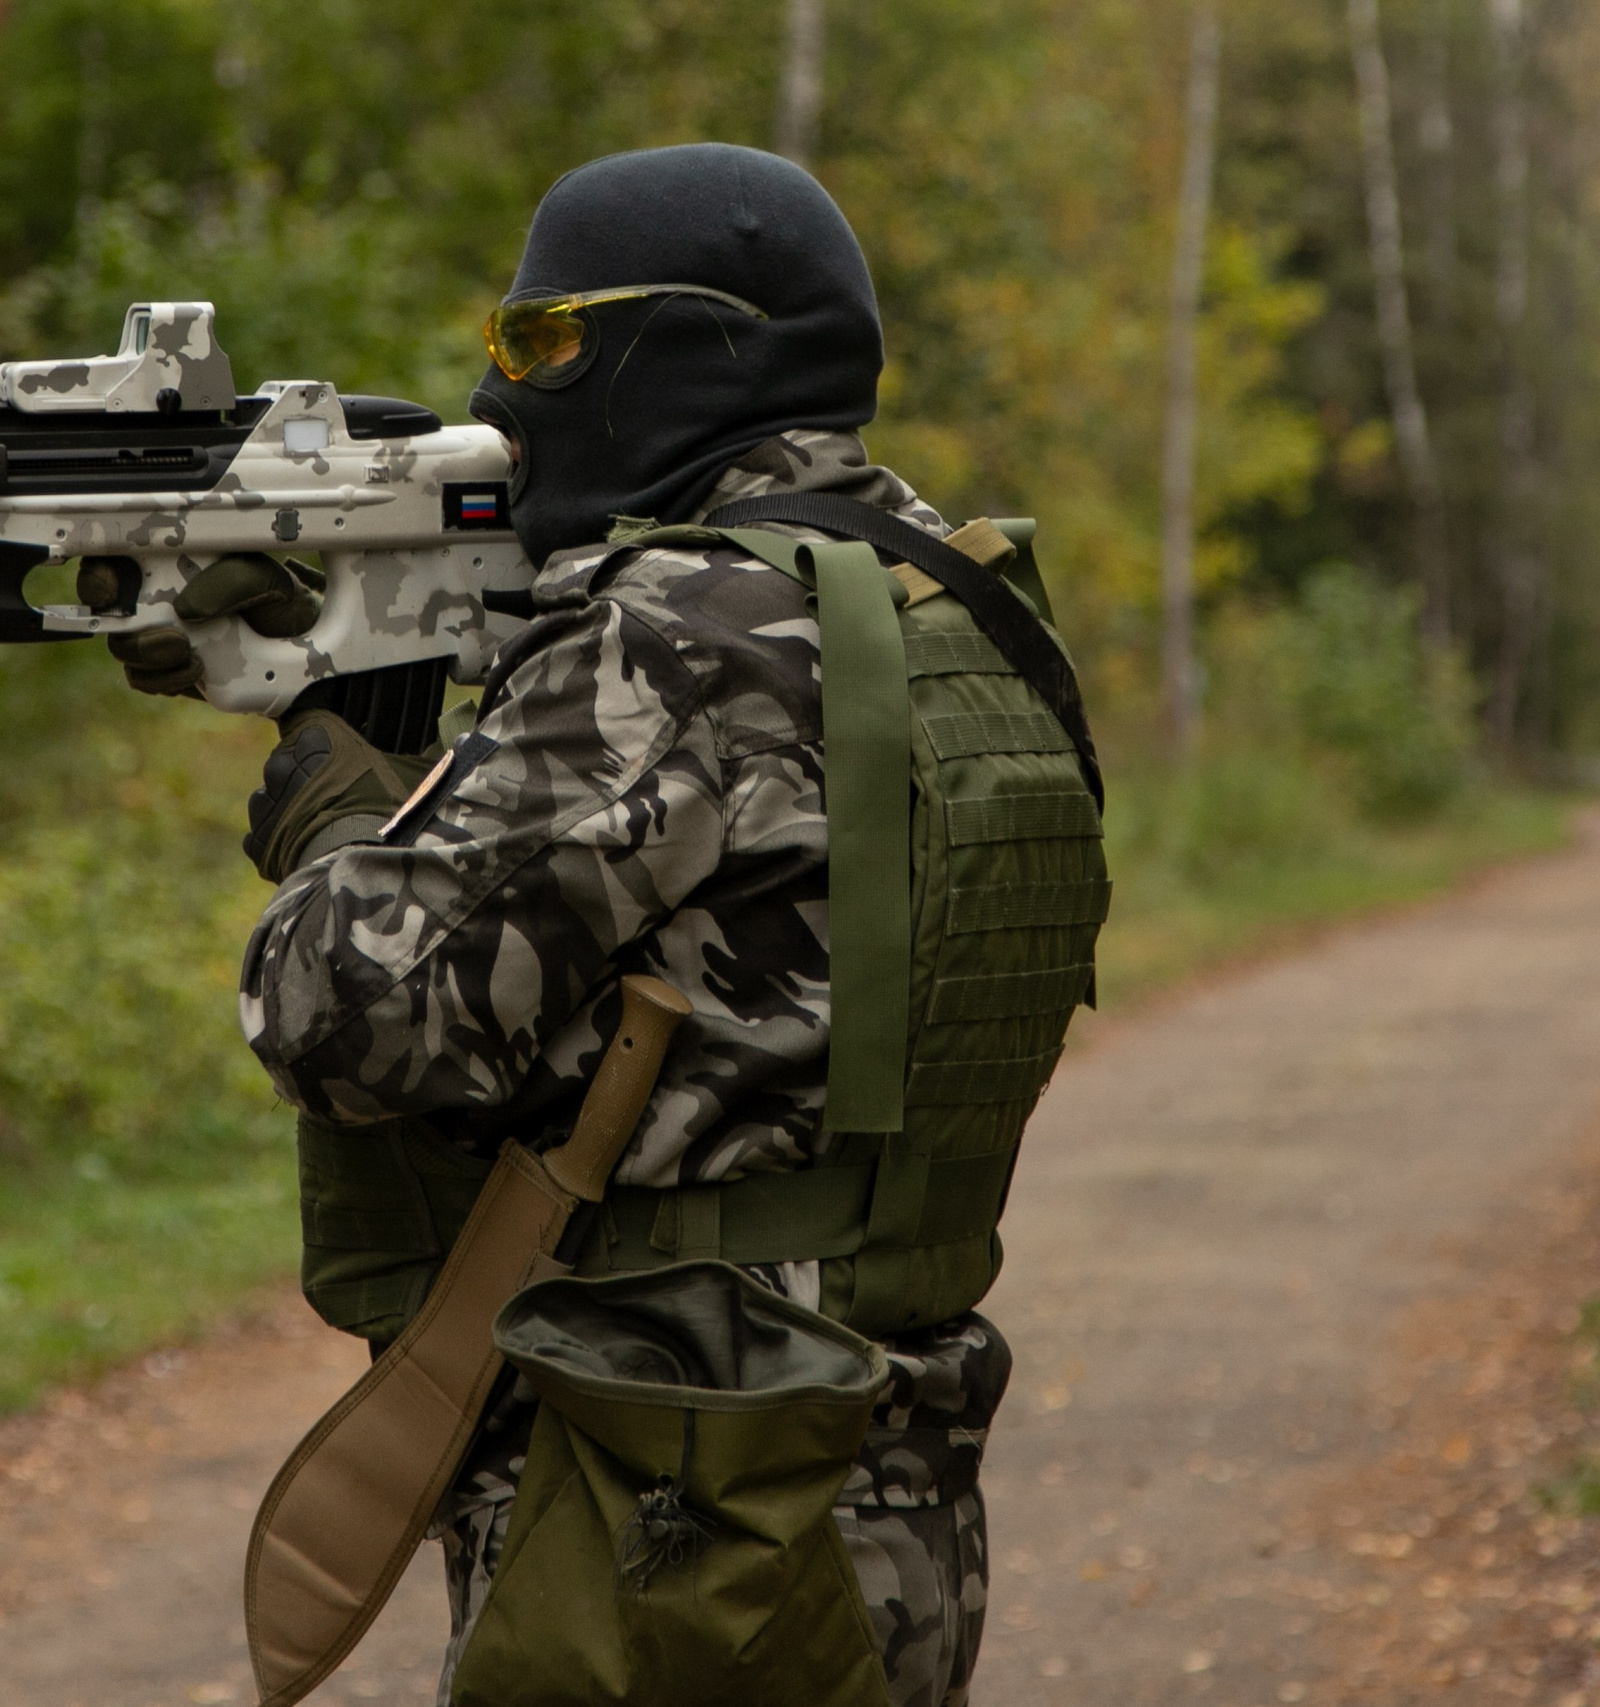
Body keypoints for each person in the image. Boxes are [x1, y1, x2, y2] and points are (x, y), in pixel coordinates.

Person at [115, 143, 1102, 1706]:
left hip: (665, 1490)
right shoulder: (954, 607)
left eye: (545, 342)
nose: (503, 389)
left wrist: (328, 805)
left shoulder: (681, 633)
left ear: (700, 348)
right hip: (880, 1456)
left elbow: (339, 1014)